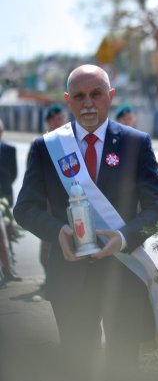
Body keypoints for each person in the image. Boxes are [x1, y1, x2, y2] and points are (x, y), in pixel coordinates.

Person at [14, 64, 158, 381]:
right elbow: (24, 208)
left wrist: (124, 237)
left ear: (110, 96)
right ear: (68, 100)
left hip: (122, 275)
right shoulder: (47, 147)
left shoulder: (135, 143)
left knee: (123, 366)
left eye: (96, 94)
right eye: (79, 96)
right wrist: (57, 231)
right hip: (70, 278)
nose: (88, 103)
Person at [37, 104, 69, 284]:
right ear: (49, 121)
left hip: (68, 200)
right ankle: (49, 277)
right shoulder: (41, 144)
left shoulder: (70, 142)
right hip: (48, 201)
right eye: (56, 119)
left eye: (62, 118)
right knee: (48, 238)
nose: (60, 122)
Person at [0, 118, 20, 286]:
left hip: (5, 198)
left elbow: (13, 173)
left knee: (8, 232)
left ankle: (9, 270)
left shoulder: (10, 149)